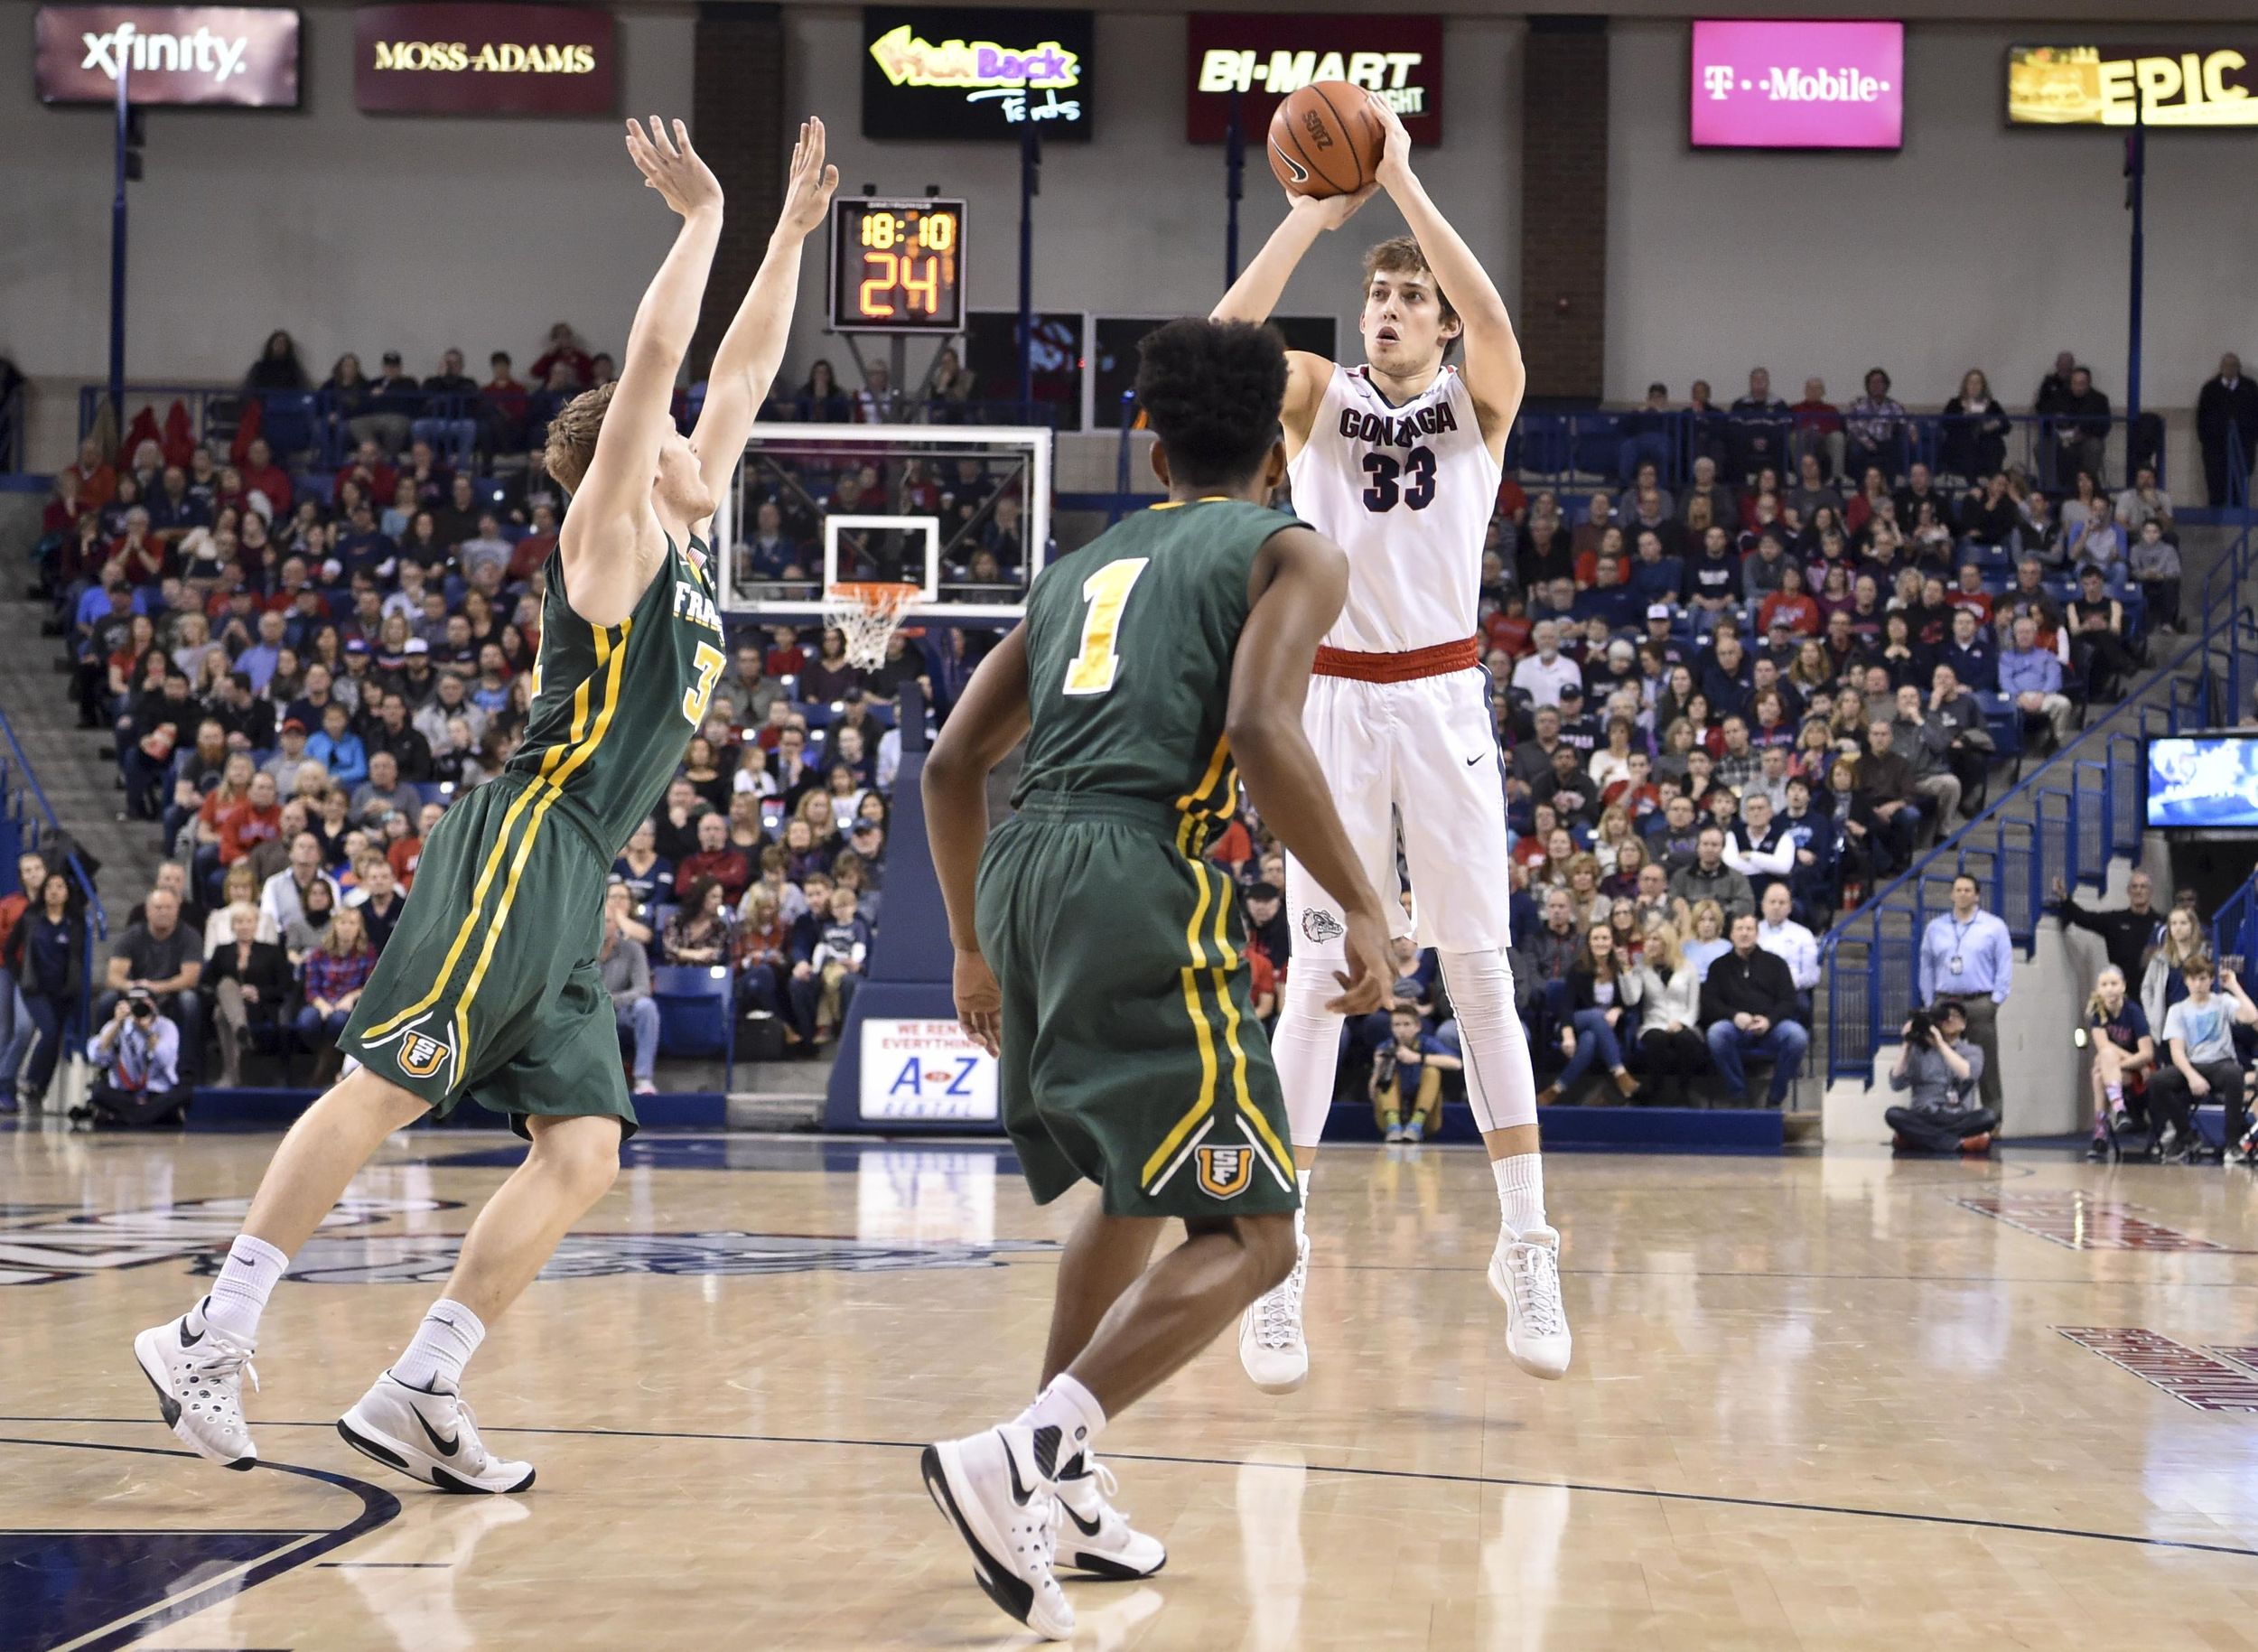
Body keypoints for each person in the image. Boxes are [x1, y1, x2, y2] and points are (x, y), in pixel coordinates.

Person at [132, 115, 839, 1495]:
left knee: (582, 1149)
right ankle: (210, 1329)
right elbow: (655, 370)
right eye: (671, 437)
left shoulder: (690, 533)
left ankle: (423, 1382)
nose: (707, 436)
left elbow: (741, 366)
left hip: (577, 873)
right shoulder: (609, 538)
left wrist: (790, 243)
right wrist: (699, 225)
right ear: (629, 465)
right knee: (387, 1083)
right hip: (523, 836)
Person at [913, 316, 1389, 1639]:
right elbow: (1255, 722)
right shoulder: (1293, 548)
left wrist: (965, 941)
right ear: (1283, 446)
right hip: (1135, 870)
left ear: (1148, 438)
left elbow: (952, 767)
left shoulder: (1077, 565)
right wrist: (1364, 901)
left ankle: (1050, 1495)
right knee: (1254, 1233)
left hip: (1020, 872)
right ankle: (1020, 1454)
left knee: (1133, 1184)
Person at [1211, 94, 1563, 1392]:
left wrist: (1406, 183)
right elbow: (1221, 343)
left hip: (1446, 699)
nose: (1391, 314)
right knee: (1316, 980)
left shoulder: (1483, 400)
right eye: (1380, 302)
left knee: (1478, 974)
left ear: (1442, 319)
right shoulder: (1317, 398)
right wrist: (1307, 224)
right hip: (1334, 705)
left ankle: (1526, 1241)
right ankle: (1278, 1260)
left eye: (1410, 300)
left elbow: (1505, 331)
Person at [1917, 873, 2011, 1114]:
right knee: (1938, 1059)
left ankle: (1993, 1117)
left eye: (1968, 890)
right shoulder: (1936, 928)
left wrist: (1996, 1000)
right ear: (1951, 895)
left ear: (1977, 895)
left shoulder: (1994, 926)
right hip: (1945, 1001)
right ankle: (1936, 1110)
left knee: (1987, 1063)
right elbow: (1926, 965)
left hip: (1979, 1001)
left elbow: (2004, 964)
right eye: (1958, 890)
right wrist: (1930, 1001)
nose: (1962, 894)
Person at [2149, 957, 2258, 1163]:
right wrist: (2192, 1077)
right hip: (2192, 1065)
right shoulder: (2177, 1010)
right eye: (2193, 979)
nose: (2198, 984)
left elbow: (2252, 1016)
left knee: (2234, 1074)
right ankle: (2187, 1136)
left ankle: (2233, 1144)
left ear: (2211, 980)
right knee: (2157, 1081)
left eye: (2203, 978)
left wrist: (2233, 986)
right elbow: (2177, 1052)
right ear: (2186, 981)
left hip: (2220, 1063)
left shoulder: (2223, 1002)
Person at [1699, 911, 1807, 1106]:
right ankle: (1738, 1096)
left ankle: (1775, 1098)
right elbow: (1709, 1003)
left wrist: (1769, 1020)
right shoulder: (1718, 966)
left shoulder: (1776, 963)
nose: (1744, 934)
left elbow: (1789, 1000)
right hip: (1735, 1027)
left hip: (1771, 1028)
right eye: (1739, 929)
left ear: (1757, 934)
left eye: (1749, 929)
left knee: (1797, 1036)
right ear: (1731, 935)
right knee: (1716, 1033)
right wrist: (1734, 1015)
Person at [1537, 921, 1642, 1106]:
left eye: (1605, 938)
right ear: (1589, 942)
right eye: (1596, 938)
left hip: (1604, 1030)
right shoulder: (1578, 969)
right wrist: (1567, 1034)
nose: (1600, 943)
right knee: (1595, 1015)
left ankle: (1556, 1089)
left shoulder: (1619, 969)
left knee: (1590, 1039)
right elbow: (1567, 1007)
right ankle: (1619, 1072)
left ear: (1612, 942)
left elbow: (1631, 1001)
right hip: (1575, 1021)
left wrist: (1618, 1009)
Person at [204, 902, 293, 1087]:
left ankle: (231, 1074)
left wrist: (258, 992)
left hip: (260, 1005)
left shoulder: (271, 951)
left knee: (220, 1014)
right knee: (226, 984)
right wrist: (230, 994)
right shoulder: (222, 951)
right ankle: (241, 1031)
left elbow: (285, 985)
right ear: (232, 926)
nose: (244, 926)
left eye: (249, 921)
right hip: (229, 1004)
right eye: (239, 922)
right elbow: (206, 983)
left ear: (256, 924)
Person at [1883, 1001, 1990, 1153]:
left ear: (1964, 1024)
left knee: (1988, 1116)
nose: (1950, 1019)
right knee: (1892, 1114)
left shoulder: (1973, 1051)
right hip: (1925, 1114)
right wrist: (1906, 1044)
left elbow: (1969, 1074)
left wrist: (1940, 1044)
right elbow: (1896, 1083)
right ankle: (1957, 1144)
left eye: (1955, 1016)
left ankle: (1918, 1138)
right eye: (1945, 1016)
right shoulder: (1920, 1050)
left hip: (1957, 1116)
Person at [79, 987, 187, 1128]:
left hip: (156, 1092)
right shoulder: (116, 1025)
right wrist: (117, 1024)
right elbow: (97, 1058)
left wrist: (148, 1032)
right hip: (124, 1093)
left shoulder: (166, 1026)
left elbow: (165, 1060)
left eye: (144, 1004)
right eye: (134, 1003)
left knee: (184, 1093)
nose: (139, 1009)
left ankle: (129, 1117)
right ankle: (145, 1117)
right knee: (98, 1092)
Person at [2080, 965, 2157, 1160]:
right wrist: (2112, 1063)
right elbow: (2103, 1045)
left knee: (2101, 1066)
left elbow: (2147, 1053)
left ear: (2123, 986)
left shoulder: (2133, 1012)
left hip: (2138, 1070)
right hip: (2114, 1073)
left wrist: (2132, 1063)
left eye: (2114, 983)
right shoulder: (2098, 1014)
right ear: (2098, 989)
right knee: (2102, 1066)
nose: (2109, 988)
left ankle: (2100, 1135)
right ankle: (2119, 1110)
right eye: (2104, 984)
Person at [1630, 921, 1707, 1107]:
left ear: (1668, 942)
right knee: (1656, 1039)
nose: (1650, 943)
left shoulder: (1688, 967)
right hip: (1654, 1023)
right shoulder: (1641, 967)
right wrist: (1629, 971)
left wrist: (1683, 1022)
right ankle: (1656, 1090)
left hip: (1683, 1022)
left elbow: (1694, 1005)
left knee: (1685, 1040)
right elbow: (1631, 999)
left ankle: (1684, 1091)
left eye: (1656, 939)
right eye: (1648, 939)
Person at [2052, 870, 2163, 984]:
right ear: (2128, 891)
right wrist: (2064, 897)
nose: (2138, 891)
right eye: (2134, 887)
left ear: (2150, 892)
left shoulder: (2163, 923)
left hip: (2155, 992)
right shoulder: (2115, 920)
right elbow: (2084, 918)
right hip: (2121, 992)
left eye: (2143, 887)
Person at [600, 898, 659, 1098]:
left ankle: (643, 1079)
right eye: (599, 920)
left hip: (619, 1013)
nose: (603, 925)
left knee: (646, 1007)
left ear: (617, 924)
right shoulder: (581, 950)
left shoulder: (633, 949)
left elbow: (642, 989)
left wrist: (610, 999)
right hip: (588, 1013)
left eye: (608, 920)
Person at [1371, 1004, 1458, 1142]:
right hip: (1389, 1117)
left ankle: (1415, 1125)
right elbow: (1372, 1095)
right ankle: (1394, 1125)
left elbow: (1456, 1063)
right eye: (1397, 1025)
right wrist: (1378, 1068)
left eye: (1406, 1024)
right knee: (1387, 1072)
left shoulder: (1426, 1043)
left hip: (1426, 1119)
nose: (1401, 1029)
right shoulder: (1385, 1047)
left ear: (1417, 1026)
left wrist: (1418, 1058)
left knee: (1432, 1071)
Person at [2196, 353, 2258, 508]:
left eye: (2233, 366)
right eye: (2227, 366)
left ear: (2239, 368)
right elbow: (2202, 418)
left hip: (2243, 447)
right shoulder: (2210, 389)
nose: (2230, 369)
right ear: (2221, 368)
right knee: (2216, 486)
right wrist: (2208, 442)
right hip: (2216, 450)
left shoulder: (2250, 388)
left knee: (2239, 485)